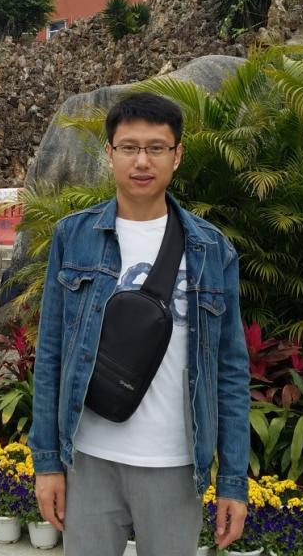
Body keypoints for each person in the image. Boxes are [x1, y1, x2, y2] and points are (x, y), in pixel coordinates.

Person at [29, 93, 250, 556]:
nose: (142, 161)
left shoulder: (212, 249)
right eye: (129, 147)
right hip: (89, 460)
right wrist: (47, 463)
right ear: (110, 154)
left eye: (156, 148)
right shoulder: (74, 236)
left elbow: (230, 371)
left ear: (177, 155)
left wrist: (233, 482)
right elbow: (50, 354)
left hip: (175, 465)